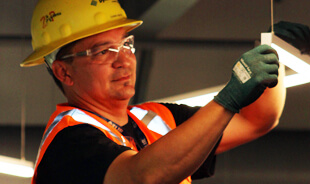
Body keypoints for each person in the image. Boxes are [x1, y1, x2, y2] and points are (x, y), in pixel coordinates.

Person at [21, 0, 286, 184]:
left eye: (126, 44)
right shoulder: (67, 143)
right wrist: (228, 99)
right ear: (63, 72)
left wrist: (272, 51)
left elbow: (257, 120)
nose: (123, 60)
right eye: (103, 51)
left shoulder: (157, 120)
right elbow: (140, 178)